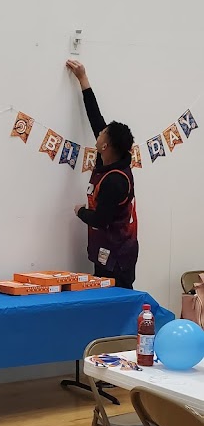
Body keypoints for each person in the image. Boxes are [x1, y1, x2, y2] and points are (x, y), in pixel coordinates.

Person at [66, 60, 138, 289]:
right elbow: (95, 118)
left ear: (105, 145)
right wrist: (83, 79)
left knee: (117, 301)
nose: (98, 134)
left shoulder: (115, 180)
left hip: (118, 257)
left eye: (102, 134)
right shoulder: (107, 158)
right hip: (105, 251)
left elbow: (101, 219)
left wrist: (80, 211)